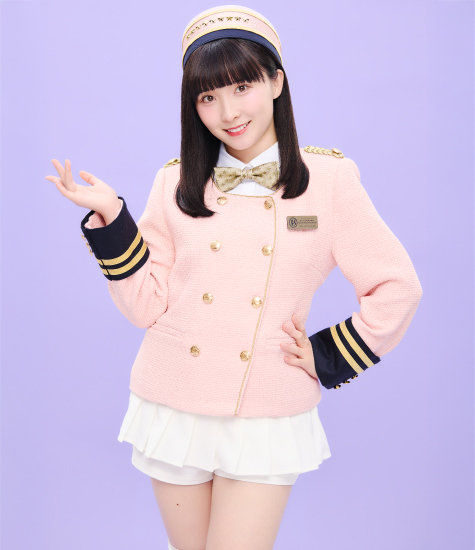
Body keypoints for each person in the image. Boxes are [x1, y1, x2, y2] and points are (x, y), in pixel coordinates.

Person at [45, 4, 423, 549]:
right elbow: (145, 307)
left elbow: (397, 286)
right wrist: (113, 219)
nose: (227, 112)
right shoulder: (174, 182)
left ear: (276, 82)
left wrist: (329, 354)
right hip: (172, 400)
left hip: (266, 410)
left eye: (242, 86)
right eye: (207, 96)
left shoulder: (329, 181)